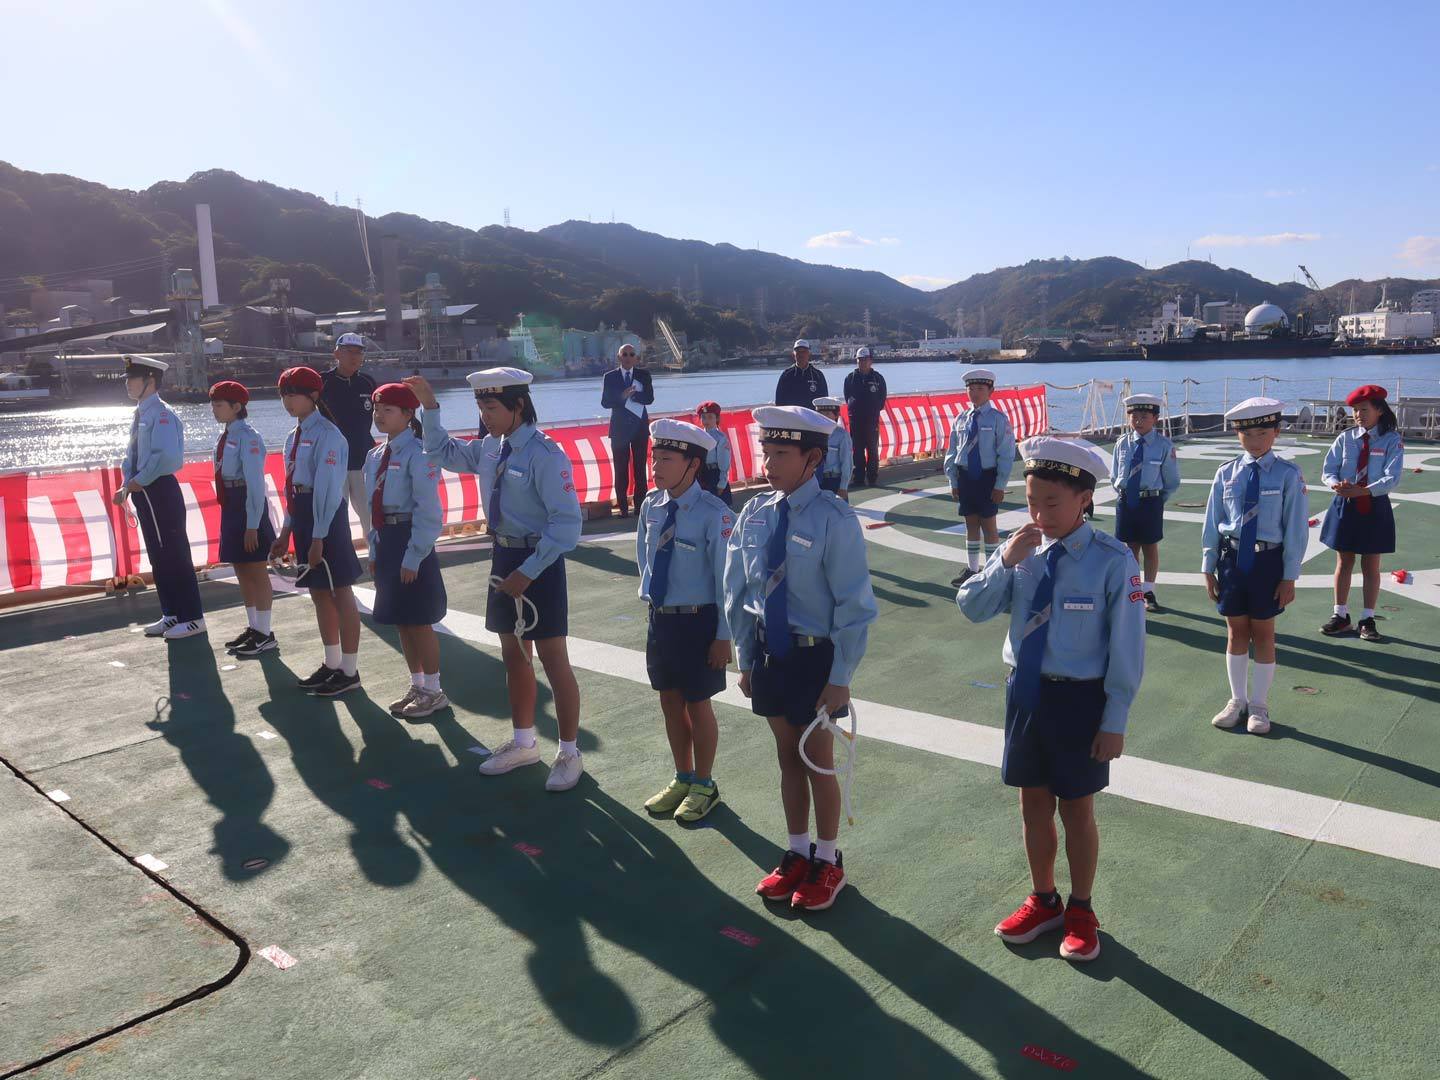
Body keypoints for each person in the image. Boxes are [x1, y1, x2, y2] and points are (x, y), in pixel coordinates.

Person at [957, 436, 1144, 963]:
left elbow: (1128, 648)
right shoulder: (1022, 550)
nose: (1040, 515)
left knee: (1076, 809)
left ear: (1084, 498)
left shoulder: (1112, 561)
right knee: (1032, 803)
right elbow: (971, 607)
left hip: (1080, 700)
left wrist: (1115, 719)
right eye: (1032, 502)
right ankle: (1044, 899)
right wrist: (1003, 561)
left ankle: (1082, 909)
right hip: (1026, 693)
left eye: (1052, 503)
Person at [724, 405, 877, 912]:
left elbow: (854, 607)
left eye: (780, 454)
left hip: (815, 660)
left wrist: (841, 677)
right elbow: (739, 590)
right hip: (771, 654)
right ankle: (796, 852)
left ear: (813, 458)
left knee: (817, 761)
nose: (768, 463)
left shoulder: (835, 518)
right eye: (765, 452)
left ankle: (828, 860)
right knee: (787, 756)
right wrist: (746, 657)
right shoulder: (755, 512)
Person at [409, 368, 587, 791]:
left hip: (538, 560)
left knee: (553, 660)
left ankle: (569, 752)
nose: (485, 416)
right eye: (480, 408)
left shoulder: (545, 454)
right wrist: (430, 407)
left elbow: (566, 525)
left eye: (491, 407)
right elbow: (440, 452)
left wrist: (529, 571)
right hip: (504, 555)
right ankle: (524, 743)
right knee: (514, 656)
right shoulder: (492, 447)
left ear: (518, 406)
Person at [636, 418, 734, 823]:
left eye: (666, 459)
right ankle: (683, 776)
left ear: (692, 465)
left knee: (698, 704)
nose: (656, 466)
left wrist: (723, 636)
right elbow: (644, 558)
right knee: (669, 702)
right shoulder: (651, 505)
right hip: (662, 620)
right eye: (654, 457)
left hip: (699, 623)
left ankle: (705, 784)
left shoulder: (714, 514)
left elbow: (727, 581)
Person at [1201, 398, 1309, 736]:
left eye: (1263, 432)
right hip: (1232, 561)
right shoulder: (1226, 473)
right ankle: (1237, 700)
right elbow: (1213, 521)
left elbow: (1296, 528)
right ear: (1237, 435)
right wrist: (1208, 566)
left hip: (1268, 562)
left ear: (1276, 432)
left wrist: (1289, 576)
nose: (1255, 441)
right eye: (1247, 434)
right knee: (1235, 632)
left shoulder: (1288, 474)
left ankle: (1259, 705)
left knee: (1263, 633)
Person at [270, 366, 364, 697]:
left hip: (326, 519)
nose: (287, 401)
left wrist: (319, 537)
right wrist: (286, 531)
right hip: (304, 516)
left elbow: (328, 489)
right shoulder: (292, 437)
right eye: (283, 395)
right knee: (319, 593)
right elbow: (291, 489)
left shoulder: (329, 435)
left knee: (340, 592)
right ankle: (332, 663)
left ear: (313, 395)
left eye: (293, 394)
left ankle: (349, 671)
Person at [365, 382, 448, 719]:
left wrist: (414, 555)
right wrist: (374, 550)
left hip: (410, 537)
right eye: (376, 409)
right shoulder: (375, 455)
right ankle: (417, 684)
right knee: (401, 619)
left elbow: (428, 511)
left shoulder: (419, 452)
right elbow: (372, 507)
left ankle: (434, 690)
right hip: (387, 539)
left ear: (408, 414)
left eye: (387, 410)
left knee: (419, 620)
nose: (379, 415)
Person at [113, 355, 206, 640]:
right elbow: (132, 455)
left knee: (175, 553)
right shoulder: (142, 413)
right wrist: (126, 483)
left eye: (133, 378)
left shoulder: (162, 414)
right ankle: (172, 613)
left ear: (150, 380)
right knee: (158, 554)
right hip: (145, 489)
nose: (128, 383)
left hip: (159, 489)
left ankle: (192, 617)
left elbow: (165, 457)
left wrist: (136, 481)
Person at [1320, 384, 1404, 642]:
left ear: (1379, 410)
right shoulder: (1345, 438)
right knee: (1344, 561)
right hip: (1345, 504)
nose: (1358, 415)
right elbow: (1328, 470)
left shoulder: (1392, 440)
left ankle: (1367, 619)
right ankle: (1340, 615)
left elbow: (1392, 477)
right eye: (1355, 410)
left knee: (1370, 565)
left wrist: (1365, 491)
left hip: (1373, 505)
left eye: (1364, 409)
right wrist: (1335, 484)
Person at [208, 380, 277, 656]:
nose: (214, 409)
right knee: (241, 569)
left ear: (237, 407)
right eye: (213, 404)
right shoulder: (225, 436)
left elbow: (255, 484)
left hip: (247, 503)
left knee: (257, 571)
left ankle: (265, 633)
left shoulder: (249, 437)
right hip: (231, 504)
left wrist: (252, 525)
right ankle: (254, 627)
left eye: (219, 405)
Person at [1108, 393, 1181, 614]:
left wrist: (1156, 500)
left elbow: (1171, 480)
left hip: (1150, 502)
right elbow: (1115, 476)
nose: (1138, 421)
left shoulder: (1164, 446)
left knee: (1149, 547)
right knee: (1129, 548)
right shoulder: (1122, 444)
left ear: (1155, 419)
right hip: (1126, 501)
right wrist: (1127, 494)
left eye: (1144, 417)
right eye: (1134, 416)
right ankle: (1131, 589)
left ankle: (1148, 591)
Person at [944, 368, 1016, 588]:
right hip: (966, 477)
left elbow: (1006, 454)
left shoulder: (998, 419)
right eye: (971, 389)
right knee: (971, 524)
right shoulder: (960, 419)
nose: (975, 393)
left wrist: (1000, 484)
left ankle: (992, 573)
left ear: (991, 391)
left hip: (987, 478)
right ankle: (972, 569)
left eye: (980, 389)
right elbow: (952, 452)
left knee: (989, 525)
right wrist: (953, 481)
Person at [321, 332, 378, 539]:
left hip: (363, 459)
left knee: (370, 517)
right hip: (333, 462)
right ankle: (340, 556)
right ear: (337, 353)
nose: (354, 356)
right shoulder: (322, 382)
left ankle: (376, 554)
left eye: (358, 352)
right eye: (348, 351)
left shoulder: (368, 382)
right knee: (337, 517)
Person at [600, 343, 654, 517]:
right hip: (619, 430)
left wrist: (635, 395)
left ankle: (640, 507)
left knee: (640, 469)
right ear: (619, 357)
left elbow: (650, 398)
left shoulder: (644, 375)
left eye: (631, 354)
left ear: (636, 358)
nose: (628, 357)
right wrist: (622, 397)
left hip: (639, 428)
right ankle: (623, 508)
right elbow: (605, 402)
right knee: (620, 469)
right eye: (625, 354)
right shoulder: (610, 377)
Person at [843, 346, 886, 487]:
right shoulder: (850, 378)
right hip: (855, 421)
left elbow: (882, 399)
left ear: (870, 361)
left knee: (872, 450)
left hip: (872, 421)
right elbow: (847, 397)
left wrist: (872, 410)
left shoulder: (878, 378)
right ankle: (859, 478)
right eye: (860, 360)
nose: (862, 362)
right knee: (857, 451)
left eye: (865, 359)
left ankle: (872, 478)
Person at [813, 397, 852, 500]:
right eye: (820, 413)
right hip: (815, 481)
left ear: (837, 415)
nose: (823, 417)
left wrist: (843, 487)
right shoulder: (813, 435)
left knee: (838, 509)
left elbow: (847, 463)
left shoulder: (842, 435)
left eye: (827, 413)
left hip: (834, 481)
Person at [696, 401, 733, 506]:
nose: (706, 420)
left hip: (715, 476)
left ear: (717, 418)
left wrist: (722, 483)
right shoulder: (698, 436)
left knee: (719, 508)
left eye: (710, 417)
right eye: (703, 417)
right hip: (701, 475)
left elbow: (724, 462)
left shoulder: (720, 438)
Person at [773, 339, 828, 408]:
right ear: (793, 354)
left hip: (812, 414)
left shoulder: (818, 375)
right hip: (792, 414)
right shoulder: (786, 375)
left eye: (804, 351)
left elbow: (825, 400)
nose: (801, 354)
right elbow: (779, 401)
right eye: (798, 351)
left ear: (808, 353)